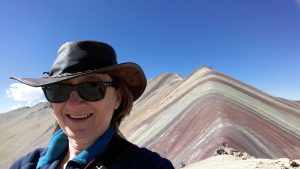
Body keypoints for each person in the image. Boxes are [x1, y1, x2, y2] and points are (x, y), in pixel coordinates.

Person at [10, 40, 175, 169]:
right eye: (58, 90)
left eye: (91, 87)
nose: (74, 104)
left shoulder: (147, 166)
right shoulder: (26, 164)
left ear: (117, 98)